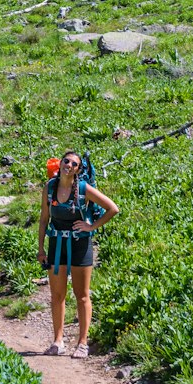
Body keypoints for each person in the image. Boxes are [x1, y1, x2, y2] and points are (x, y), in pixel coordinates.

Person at [37, 151, 118, 359]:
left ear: (78, 170)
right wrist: (41, 249)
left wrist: (91, 227)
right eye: (66, 161)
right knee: (57, 295)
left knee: (82, 295)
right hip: (56, 244)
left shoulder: (83, 189)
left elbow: (112, 208)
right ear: (60, 163)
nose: (69, 165)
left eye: (74, 164)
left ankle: (83, 343)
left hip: (80, 244)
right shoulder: (50, 188)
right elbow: (44, 219)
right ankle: (58, 341)